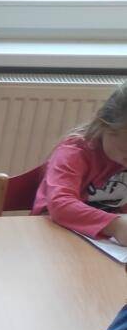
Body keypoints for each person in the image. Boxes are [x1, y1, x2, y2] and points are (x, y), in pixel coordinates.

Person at [34, 80, 127, 241]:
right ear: (104, 126)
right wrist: (115, 226)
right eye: (125, 151)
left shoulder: (117, 154)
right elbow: (60, 205)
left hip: (104, 243)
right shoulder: (74, 153)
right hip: (53, 235)